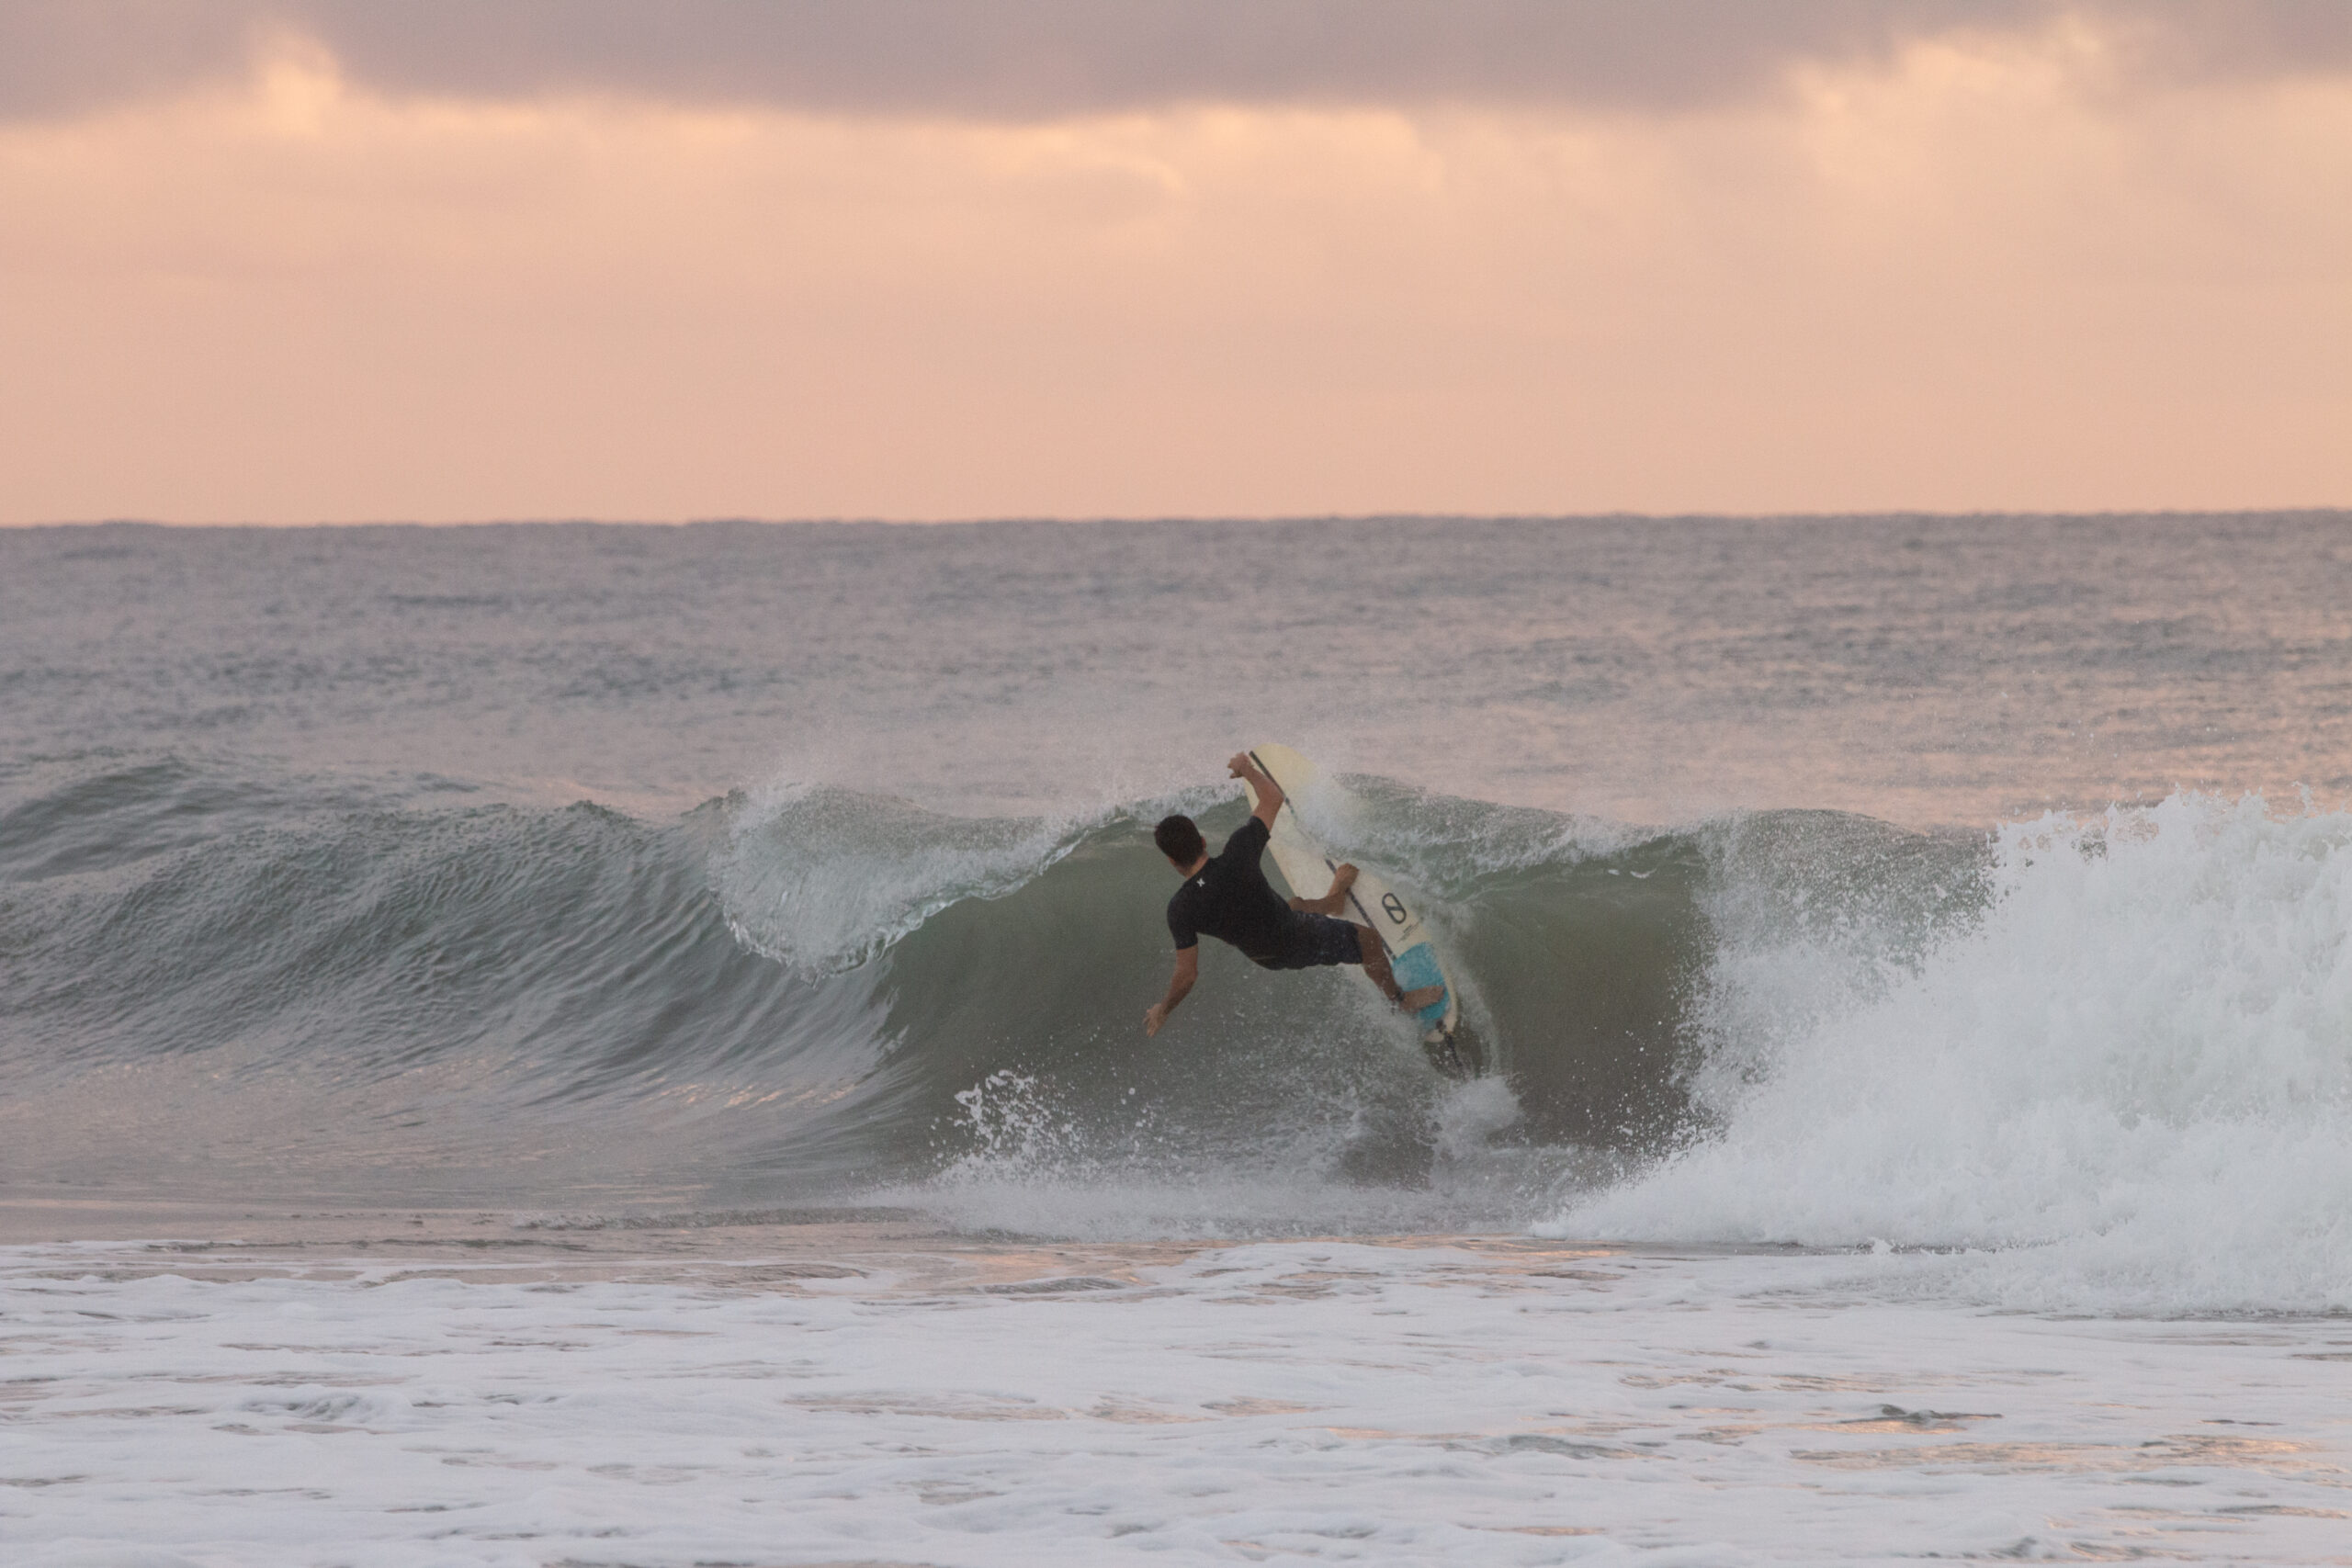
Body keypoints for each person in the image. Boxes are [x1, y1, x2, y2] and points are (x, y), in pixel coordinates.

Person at [1144, 752, 1444, 1036]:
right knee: (1369, 940)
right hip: (1297, 937)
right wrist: (1246, 768)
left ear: (1171, 860)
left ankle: (1334, 899)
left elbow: (1186, 976)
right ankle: (1399, 1000)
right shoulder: (1239, 850)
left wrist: (1163, 1009)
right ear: (1203, 840)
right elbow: (1273, 797)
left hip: (1266, 955)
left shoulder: (1180, 908)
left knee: (1296, 905)